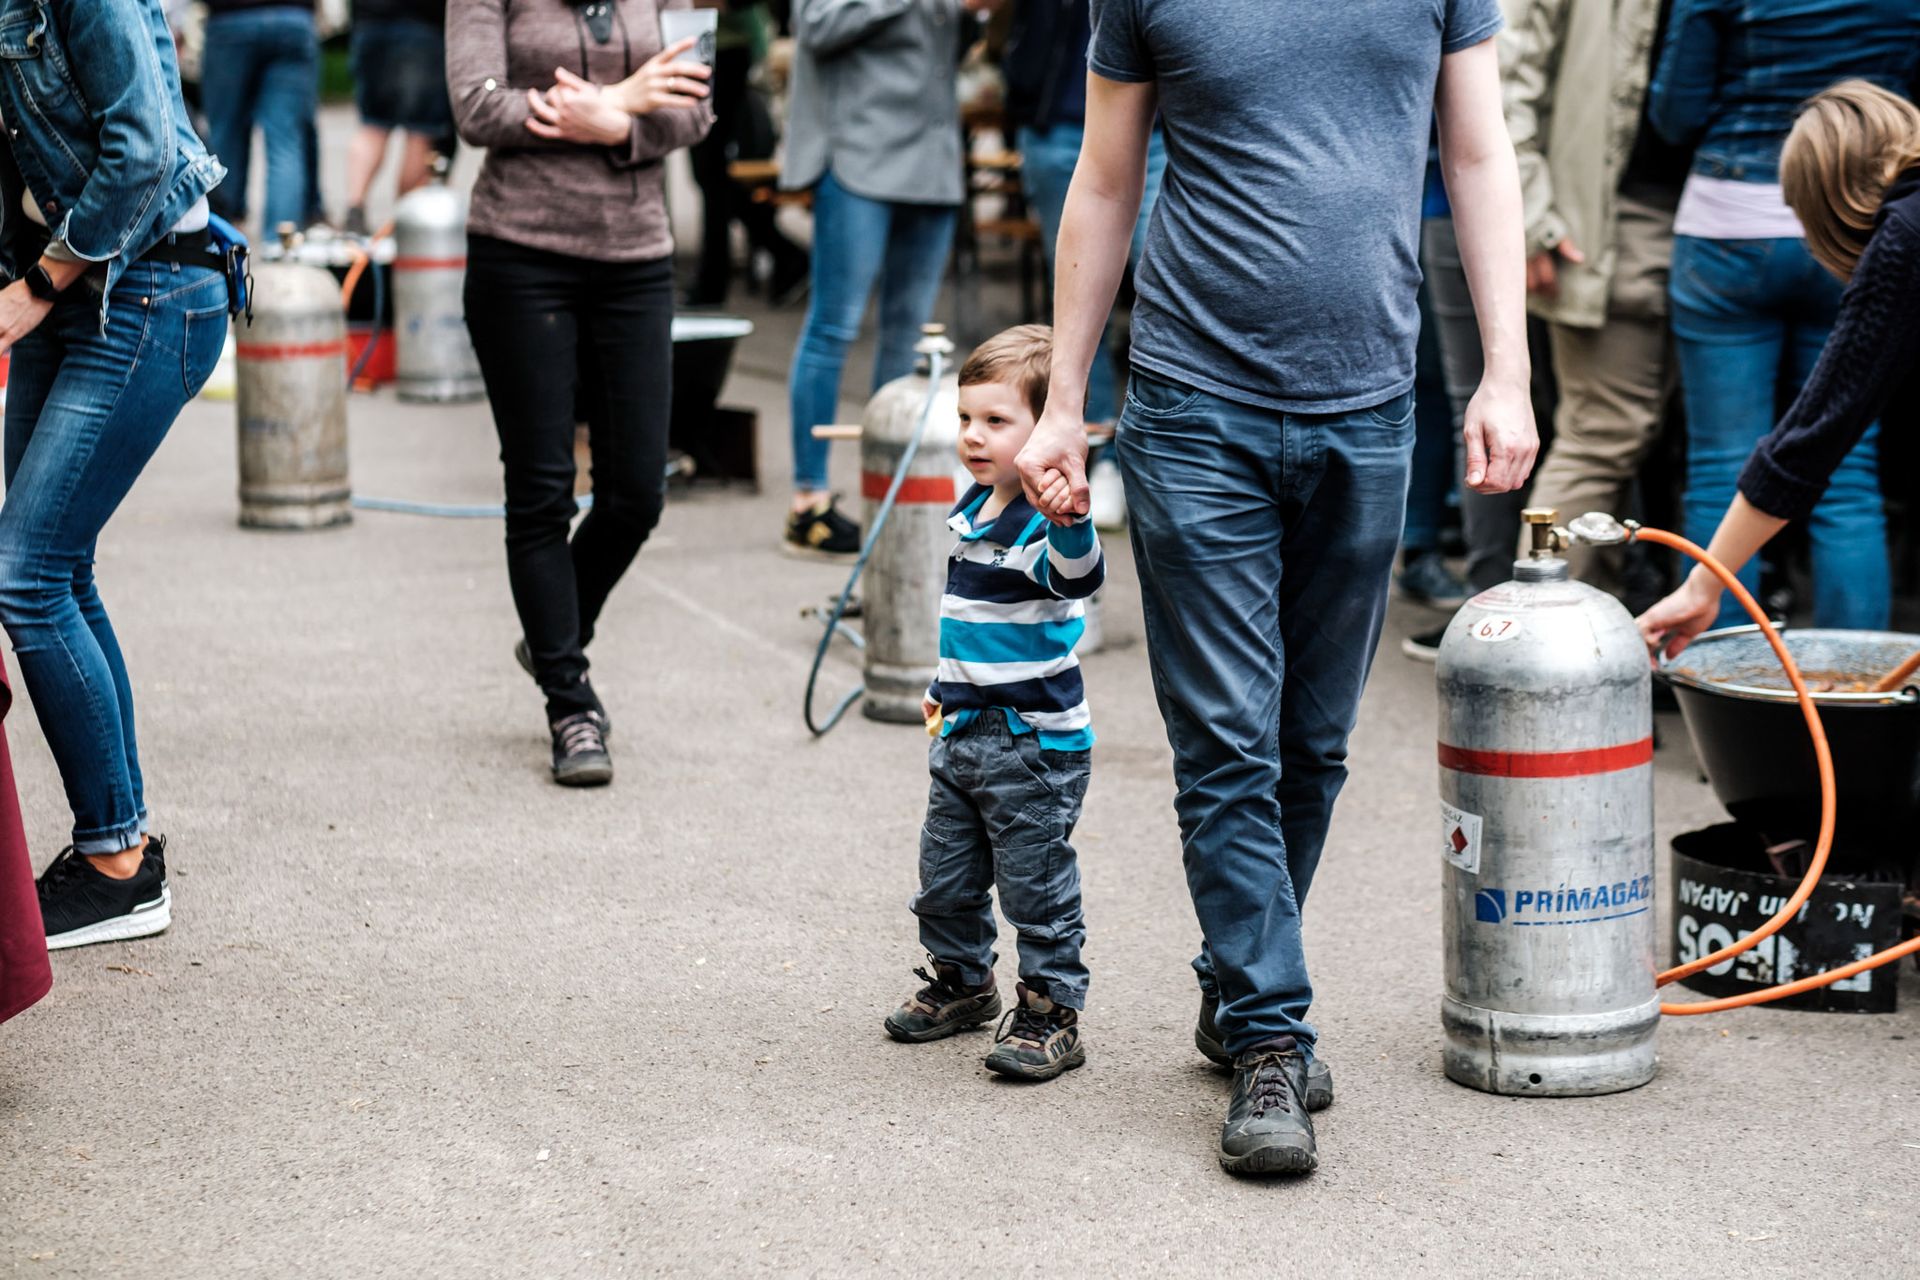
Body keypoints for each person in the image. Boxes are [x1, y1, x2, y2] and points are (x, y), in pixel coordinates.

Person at [1021, 0, 1535, 1175]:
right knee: (1226, 745)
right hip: (1193, 405)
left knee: (1312, 742)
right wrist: (1063, 399)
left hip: (1371, 403)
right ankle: (1268, 1037)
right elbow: (1105, 178)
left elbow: (1477, 155)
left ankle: (1236, 979)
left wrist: (1504, 371)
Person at [0, 0, 229, 948]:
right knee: (58, 567)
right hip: (69, 287)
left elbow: (141, 151)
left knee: (25, 573)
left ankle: (115, 864)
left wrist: (34, 287)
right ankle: (120, 849)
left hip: (150, 285)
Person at [447, 0, 713, 786]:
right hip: (520, 255)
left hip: (637, 261)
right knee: (541, 491)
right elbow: (477, 106)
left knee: (637, 492)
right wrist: (618, 98)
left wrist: (619, 124)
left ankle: (553, 635)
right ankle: (570, 703)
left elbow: (697, 108)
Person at [1651, 0, 1920, 631]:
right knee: (1848, 476)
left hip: (1730, 214)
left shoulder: (1904, 239)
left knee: (1722, 464)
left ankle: (1717, 677)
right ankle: (1859, 683)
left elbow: (1674, 112)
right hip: (1871, 167)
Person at [887, 324, 1104, 1082]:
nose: (973, 436)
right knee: (944, 878)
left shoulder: (1048, 519)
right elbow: (967, 625)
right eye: (965, 419)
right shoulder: (973, 509)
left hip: (1031, 745)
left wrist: (1073, 518)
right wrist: (940, 694)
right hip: (961, 731)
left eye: (996, 421)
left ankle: (1051, 1014)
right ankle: (963, 981)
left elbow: (1078, 576)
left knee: (1036, 890)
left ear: (1046, 431)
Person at [778, 0, 987, 557]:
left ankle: (891, 495)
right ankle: (807, 502)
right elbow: (815, 25)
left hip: (934, 158)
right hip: (857, 156)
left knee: (909, 336)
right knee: (833, 326)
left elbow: (945, 52)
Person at [1504, 0, 1689, 592]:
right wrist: (1531, 218)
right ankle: (1543, 632)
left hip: (1710, 221)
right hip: (1611, 227)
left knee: (1696, 453)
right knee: (1600, 439)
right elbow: (1506, 78)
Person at [1000, 0, 1164, 429]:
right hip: (1058, 122)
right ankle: (1094, 431)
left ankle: (1157, 432)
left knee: (1160, 278)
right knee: (1080, 292)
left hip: (1154, 129)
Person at [683, 0, 809, 307]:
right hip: (700, 48)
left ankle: (716, 281)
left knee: (712, 174)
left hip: (724, 52)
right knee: (710, 175)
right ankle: (785, 255)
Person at [202, 0, 318, 234]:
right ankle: (279, 242)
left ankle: (223, 234)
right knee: (285, 141)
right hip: (292, 17)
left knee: (226, 135)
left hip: (231, 19)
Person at [343, 0, 455, 235]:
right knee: (420, 131)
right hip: (422, 26)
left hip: (370, 24)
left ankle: (355, 210)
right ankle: (404, 220)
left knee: (372, 126)